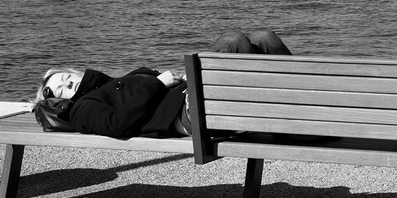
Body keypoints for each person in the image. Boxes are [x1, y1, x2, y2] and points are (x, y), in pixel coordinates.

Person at [31, 29, 291, 139]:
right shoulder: (81, 109)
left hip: (190, 99)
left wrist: (180, 81)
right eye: (62, 89)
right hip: (190, 114)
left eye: (67, 78)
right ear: (59, 101)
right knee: (233, 41)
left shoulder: (108, 85)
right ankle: (299, 113)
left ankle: (303, 117)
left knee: (263, 39)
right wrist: (157, 83)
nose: (69, 85)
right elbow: (116, 125)